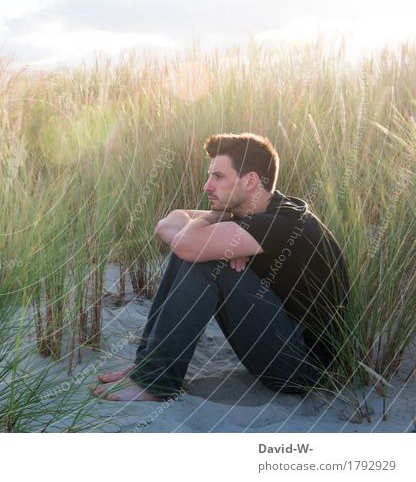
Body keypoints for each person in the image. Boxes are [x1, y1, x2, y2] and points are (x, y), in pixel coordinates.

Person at [91, 132, 349, 402]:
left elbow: (185, 243)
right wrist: (221, 222)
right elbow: (167, 223)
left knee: (201, 256)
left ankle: (156, 382)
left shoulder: (284, 222)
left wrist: (213, 226)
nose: (207, 186)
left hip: (305, 369)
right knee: (197, 245)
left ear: (250, 181)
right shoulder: (258, 211)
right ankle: (149, 368)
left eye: (218, 176)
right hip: (280, 341)